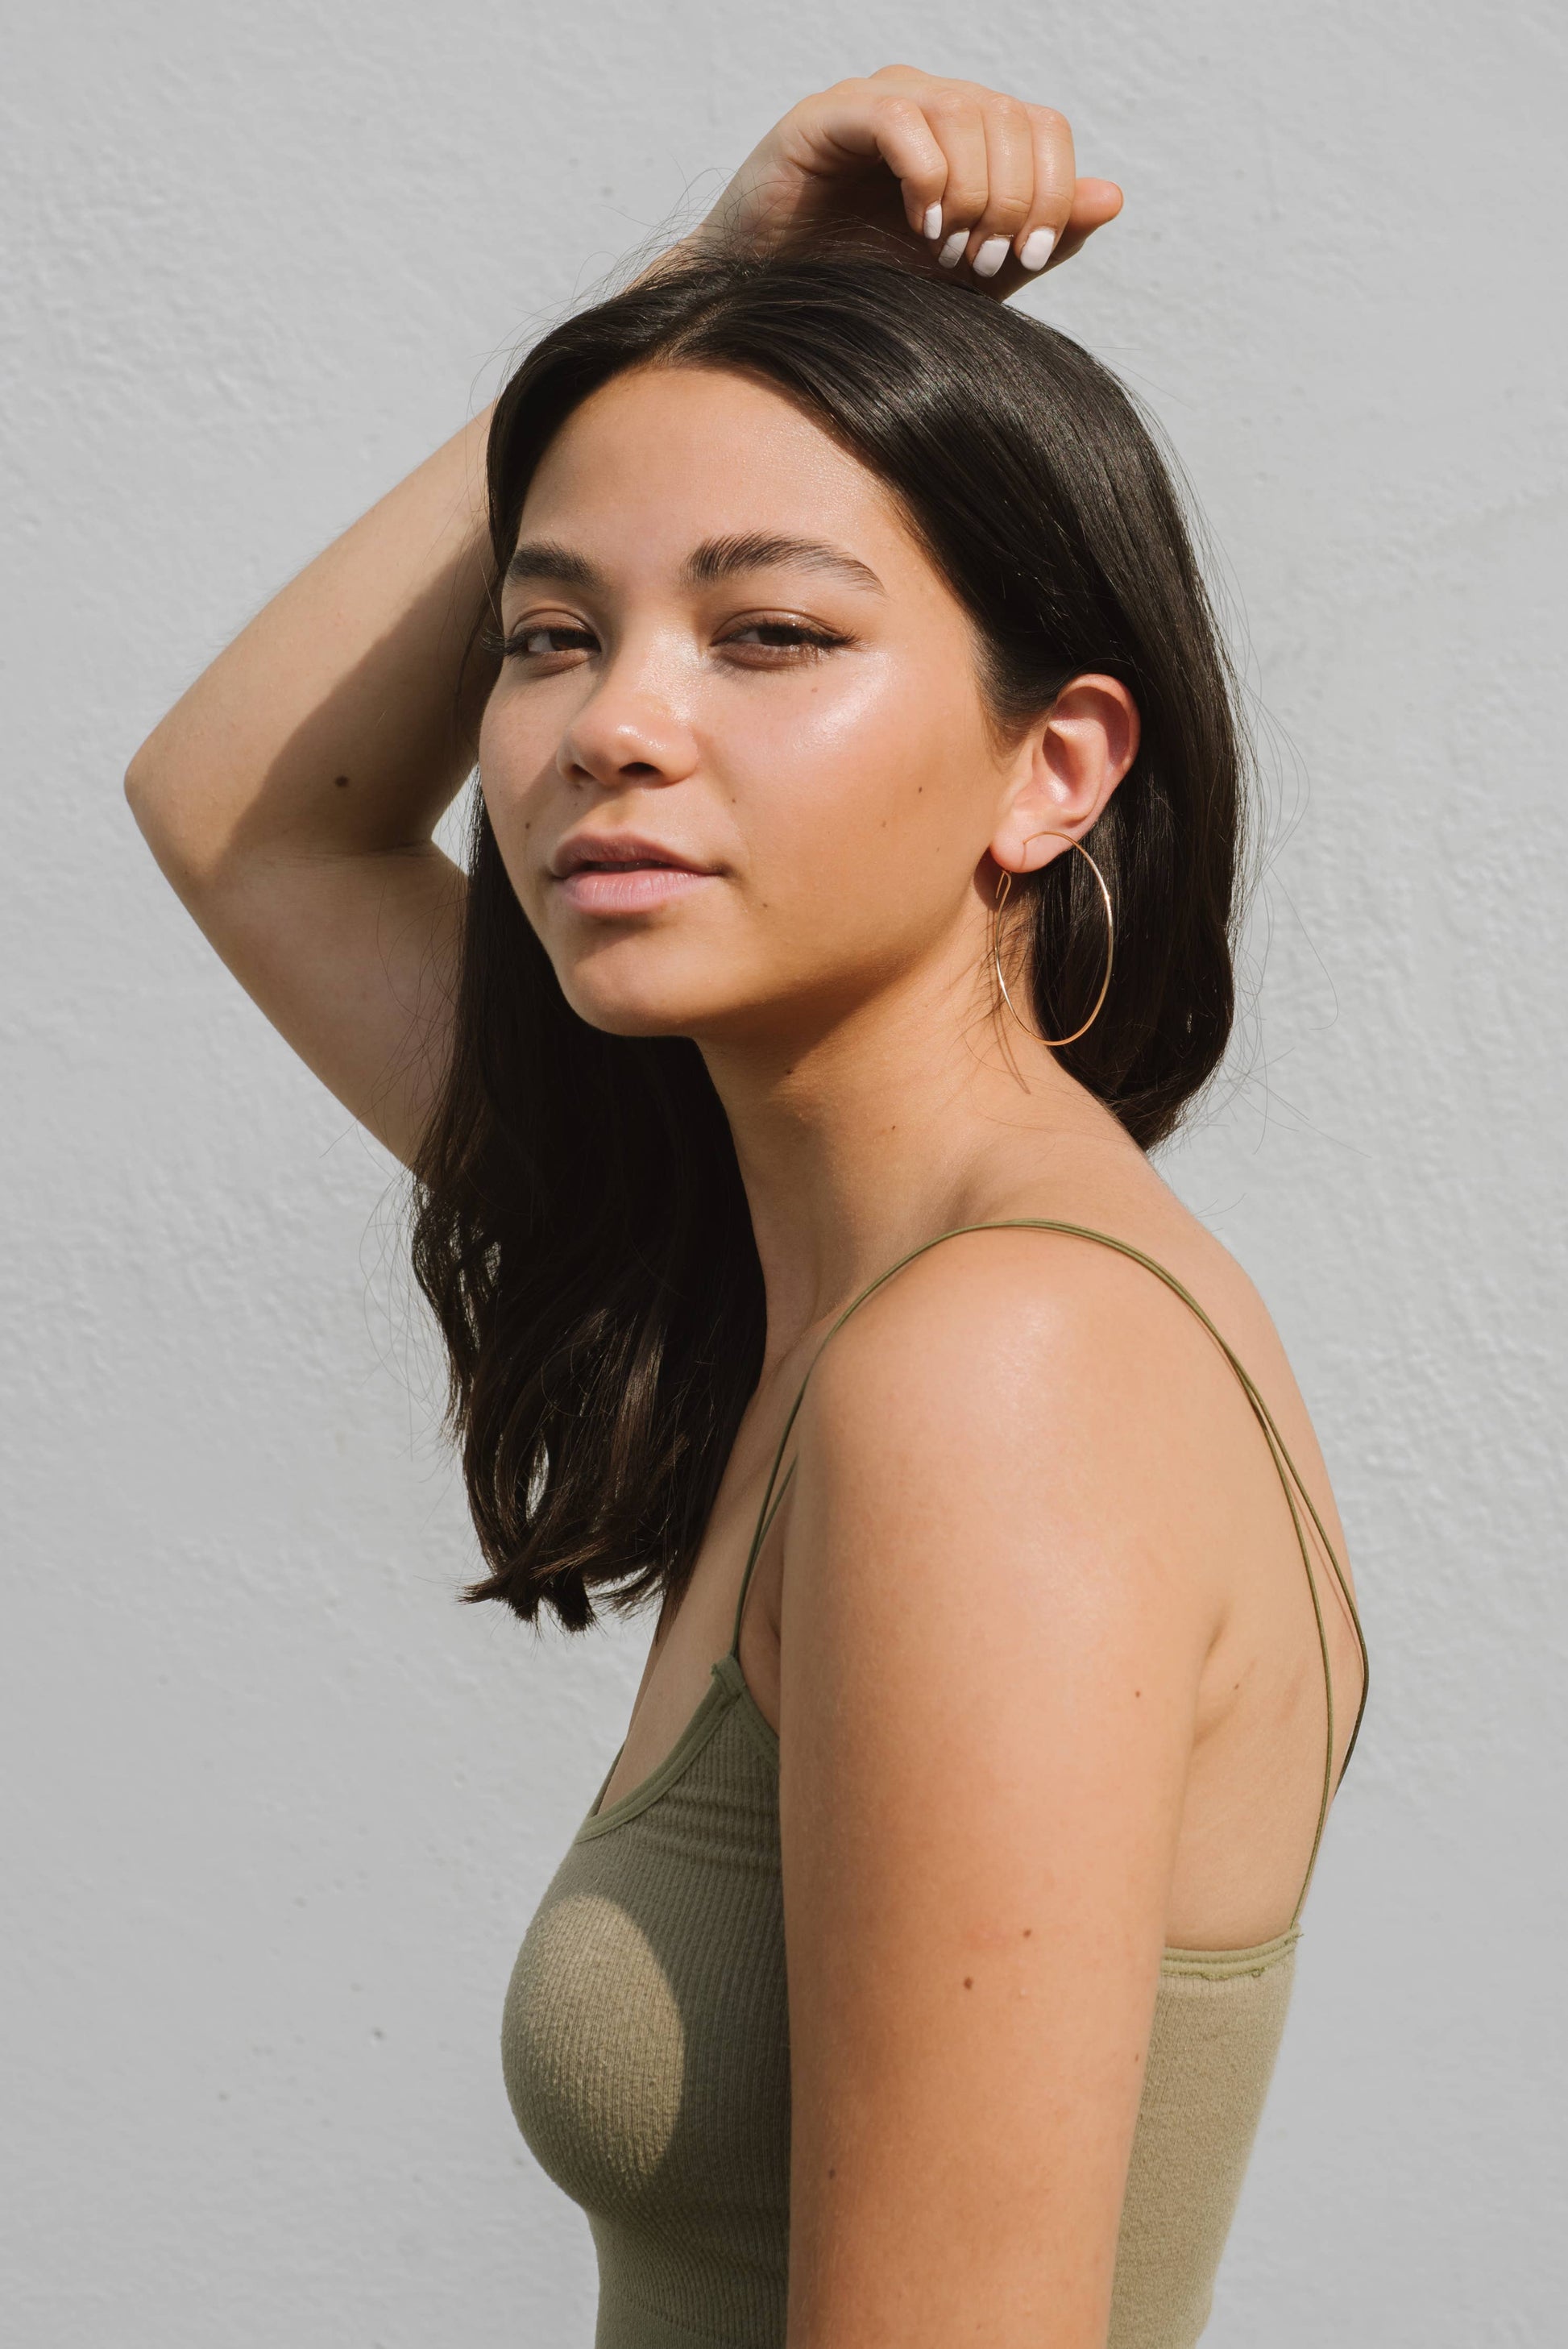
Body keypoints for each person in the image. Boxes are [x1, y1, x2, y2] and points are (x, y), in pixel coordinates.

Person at [126, 65, 1368, 2349]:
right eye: (550, 632)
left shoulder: (995, 1374)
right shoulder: (781, 1268)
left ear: (1052, 763)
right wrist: (719, 281)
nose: (614, 724)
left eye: (768, 632)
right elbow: (246, 818)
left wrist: (715, 312)